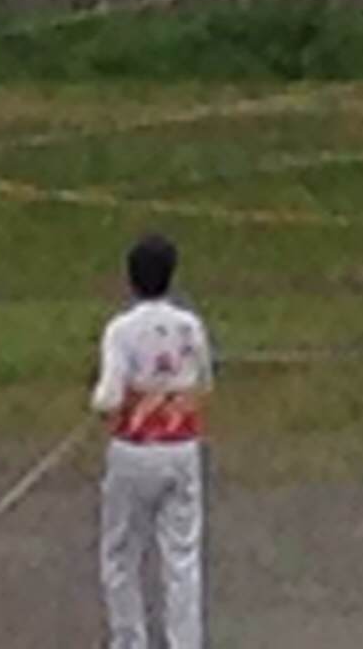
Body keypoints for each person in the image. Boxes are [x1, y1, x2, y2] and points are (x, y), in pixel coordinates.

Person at [94, 231, 212, 649]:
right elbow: (203, 381)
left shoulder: (121, 330)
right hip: (182, 447)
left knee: (121, 552)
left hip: (135, 449)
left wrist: (105, 406)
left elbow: (109, 397)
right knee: (181, 555)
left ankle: (129, 641)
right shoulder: (190, 327)